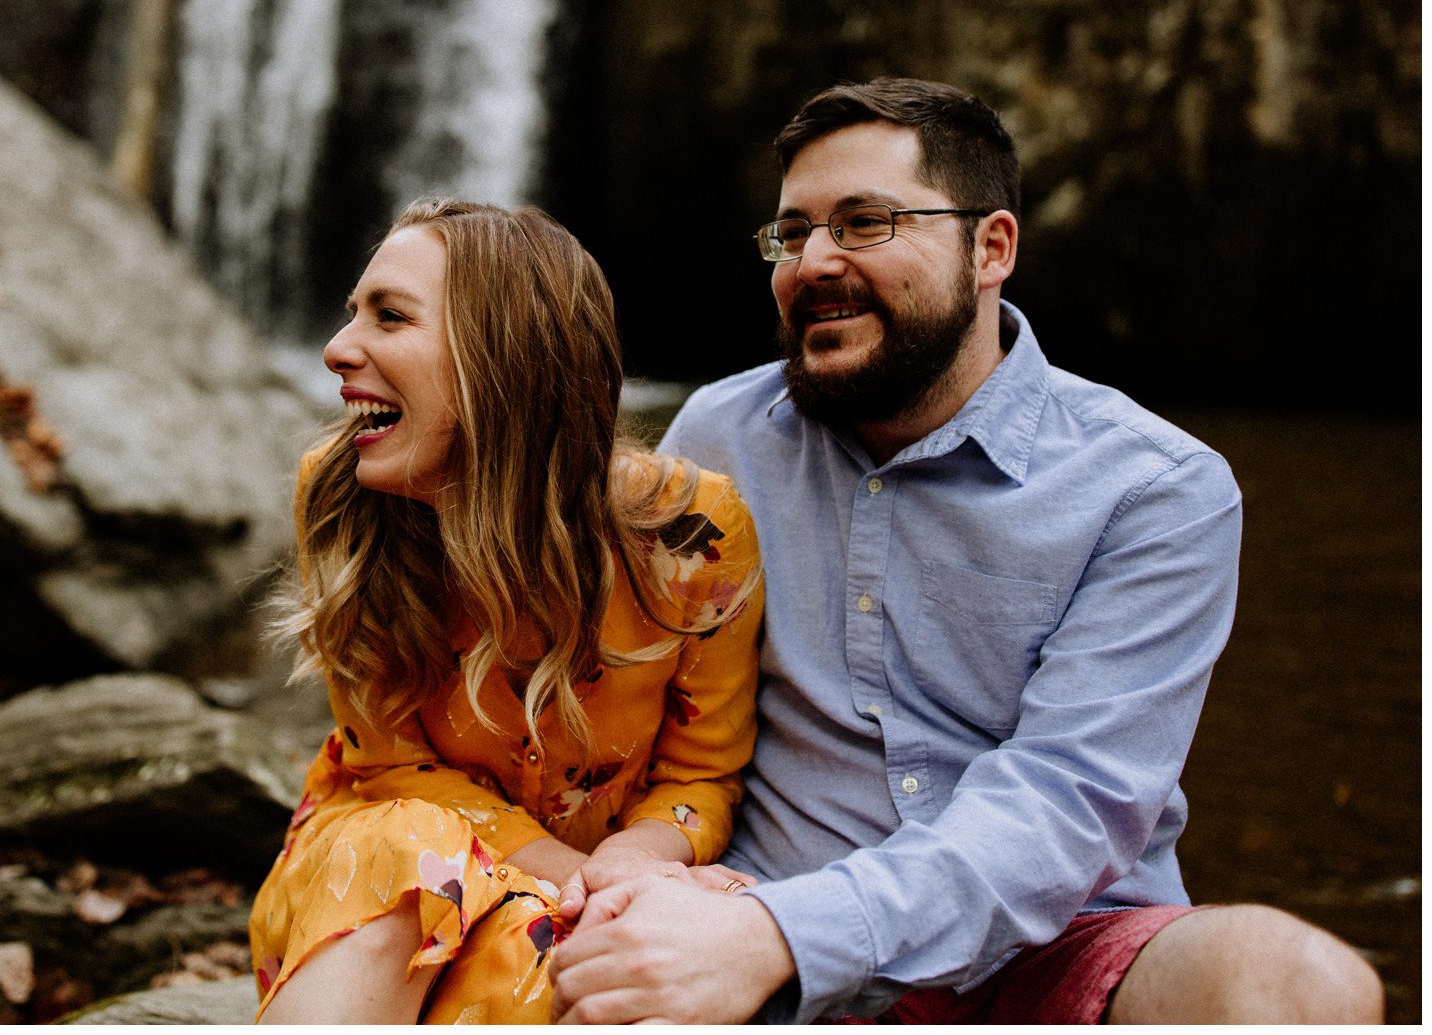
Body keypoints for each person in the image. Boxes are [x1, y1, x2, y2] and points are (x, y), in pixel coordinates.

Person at [550, 78, 1384, 1023]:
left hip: (1045, 950)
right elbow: (632, 706)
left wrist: (788, 931)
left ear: (992, 248)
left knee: (1300, 980)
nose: (813, 262)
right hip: (737, 923)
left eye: (866, 222)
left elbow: (1066, 806)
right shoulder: (719, 438)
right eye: (793, 232)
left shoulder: (1159, 490)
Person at [249, 198, 766, 1023]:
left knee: (587, 965)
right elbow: (388, 763)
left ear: (507, 358)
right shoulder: (342, 490)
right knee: (413, 844)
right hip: (372, 882)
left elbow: (703, 774)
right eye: (352, 315)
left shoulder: (691, 537)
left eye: (389, 317)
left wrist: (631, 867)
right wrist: (572, 872)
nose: (337, 349)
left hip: (576, 900)